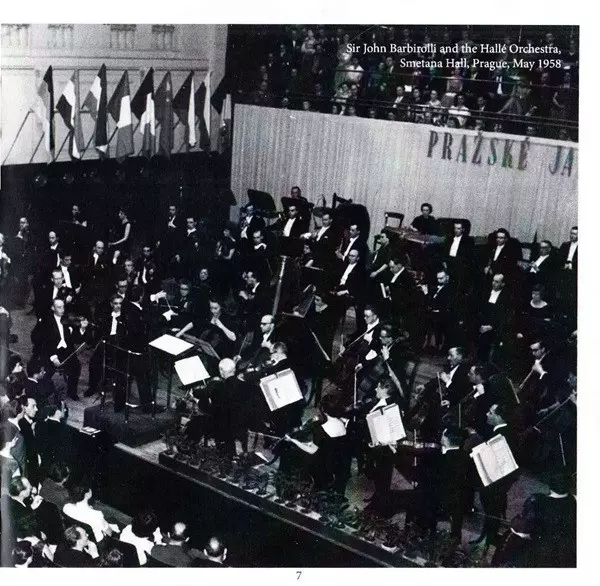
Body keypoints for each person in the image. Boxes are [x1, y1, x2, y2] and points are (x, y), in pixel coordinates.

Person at [31, 298, 81, 401]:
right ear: (53, 308)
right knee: (47, 371)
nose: (62, 310)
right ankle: (42, 393)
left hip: (65, 350)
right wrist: (53, 357)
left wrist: (81, 329)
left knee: (76, 365)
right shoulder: (46, 321)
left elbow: (76, 339)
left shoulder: (67, 320)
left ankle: (72, 391)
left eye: (63, 307)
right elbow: (43, 342)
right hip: (50, 350)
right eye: (59, 307)